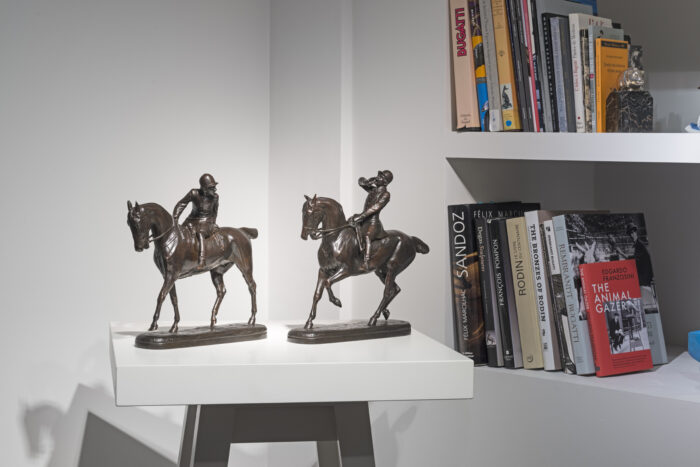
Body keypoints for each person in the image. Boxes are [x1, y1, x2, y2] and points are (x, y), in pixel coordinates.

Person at [348, 170, 393, 270]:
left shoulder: (385, 194)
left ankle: (366, 262)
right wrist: (369, 181)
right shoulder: (373, 190)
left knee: (367, 236)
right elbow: (361, 182)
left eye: (380, 177)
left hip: (373, 222)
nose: (377, 177)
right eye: (378, 175)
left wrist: (360, 216)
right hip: (363, 219)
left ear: (385, 182)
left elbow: (375, 208)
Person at [173, 173, 220, 269]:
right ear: (204, 188)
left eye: (214, 187)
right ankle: (179, 255)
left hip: (206, 221)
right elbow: (181, 204)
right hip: (191, 220)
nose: (215, 189)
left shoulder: (215, 197)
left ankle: (201, 260)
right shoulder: (194, 193)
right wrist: (175, 217)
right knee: (181, 233)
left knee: (200, 233)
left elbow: (215, 212)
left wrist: (213, 224)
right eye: (211, 187)